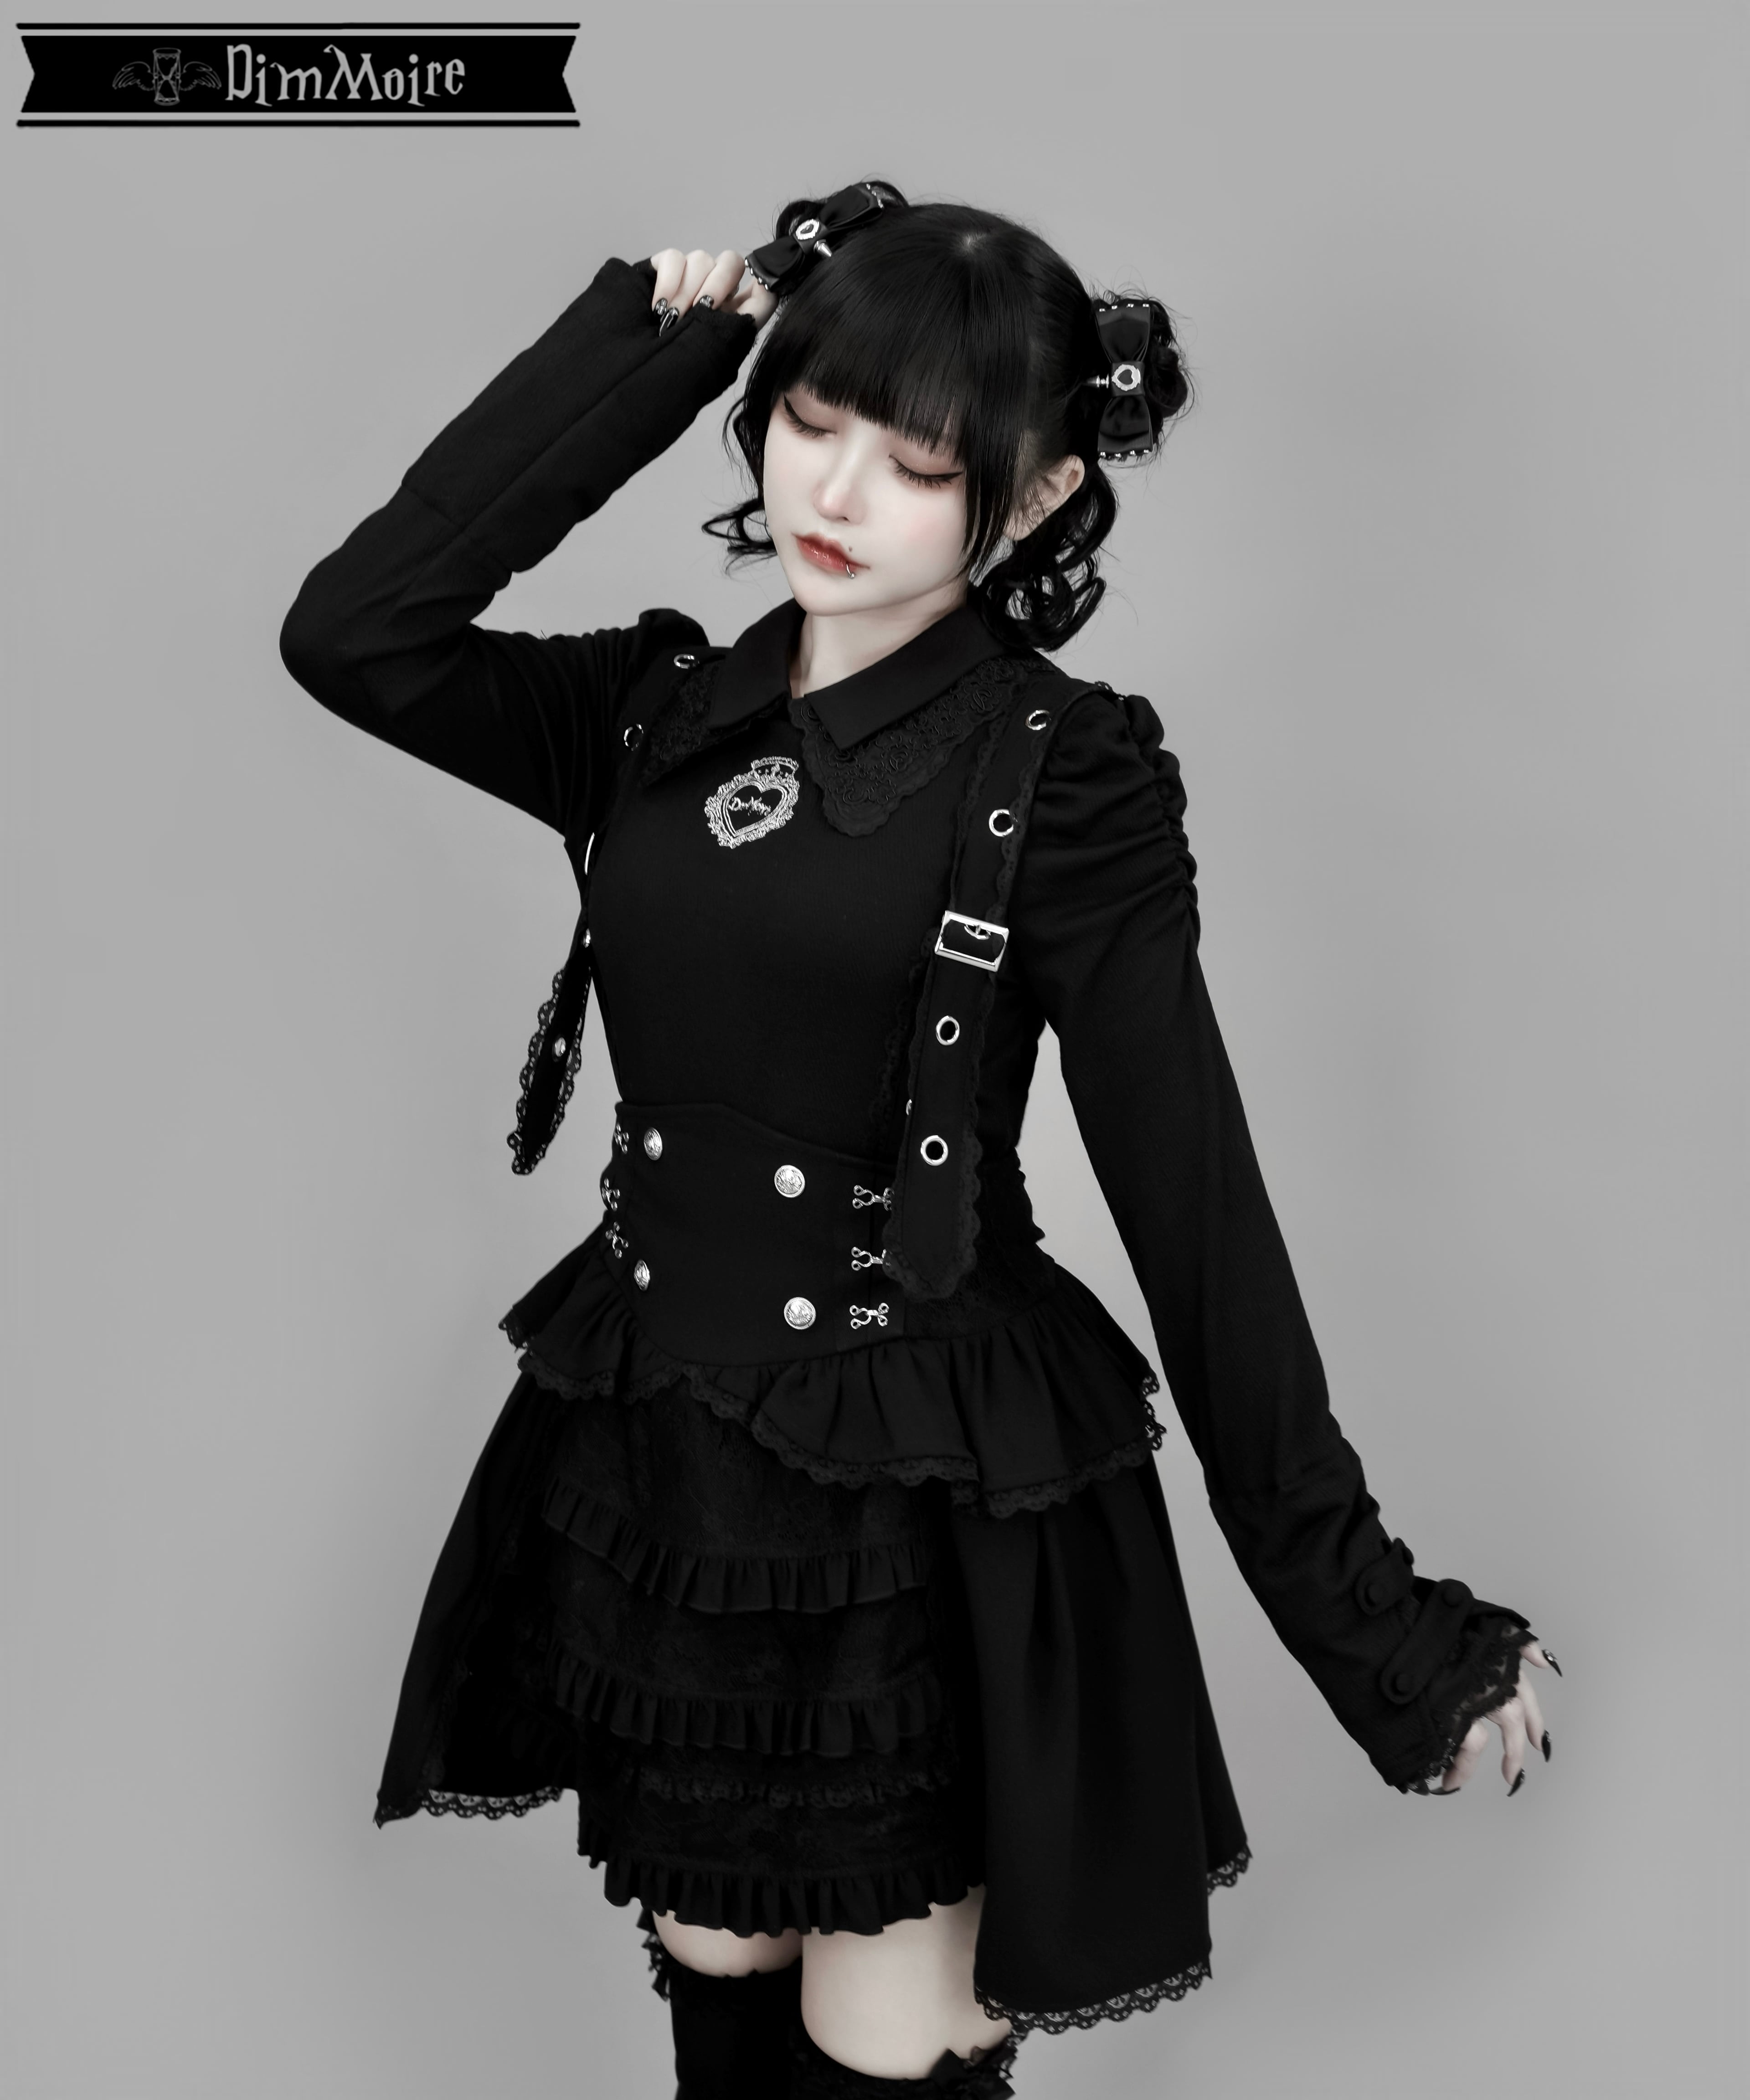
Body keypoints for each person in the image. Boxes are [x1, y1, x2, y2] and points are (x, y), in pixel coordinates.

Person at [279, 181, 1558, 2100]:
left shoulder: (1062, 769)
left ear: (1031, 501)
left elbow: (1197, 1209)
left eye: (919, 463)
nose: (841, 494)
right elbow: (355, 632)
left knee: (885, 2043)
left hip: (925, 1508)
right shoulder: (647, 711)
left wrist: (1382, 1632)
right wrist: (643, 352)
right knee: (719, 1980)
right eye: (810, 422)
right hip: (670, 1480)